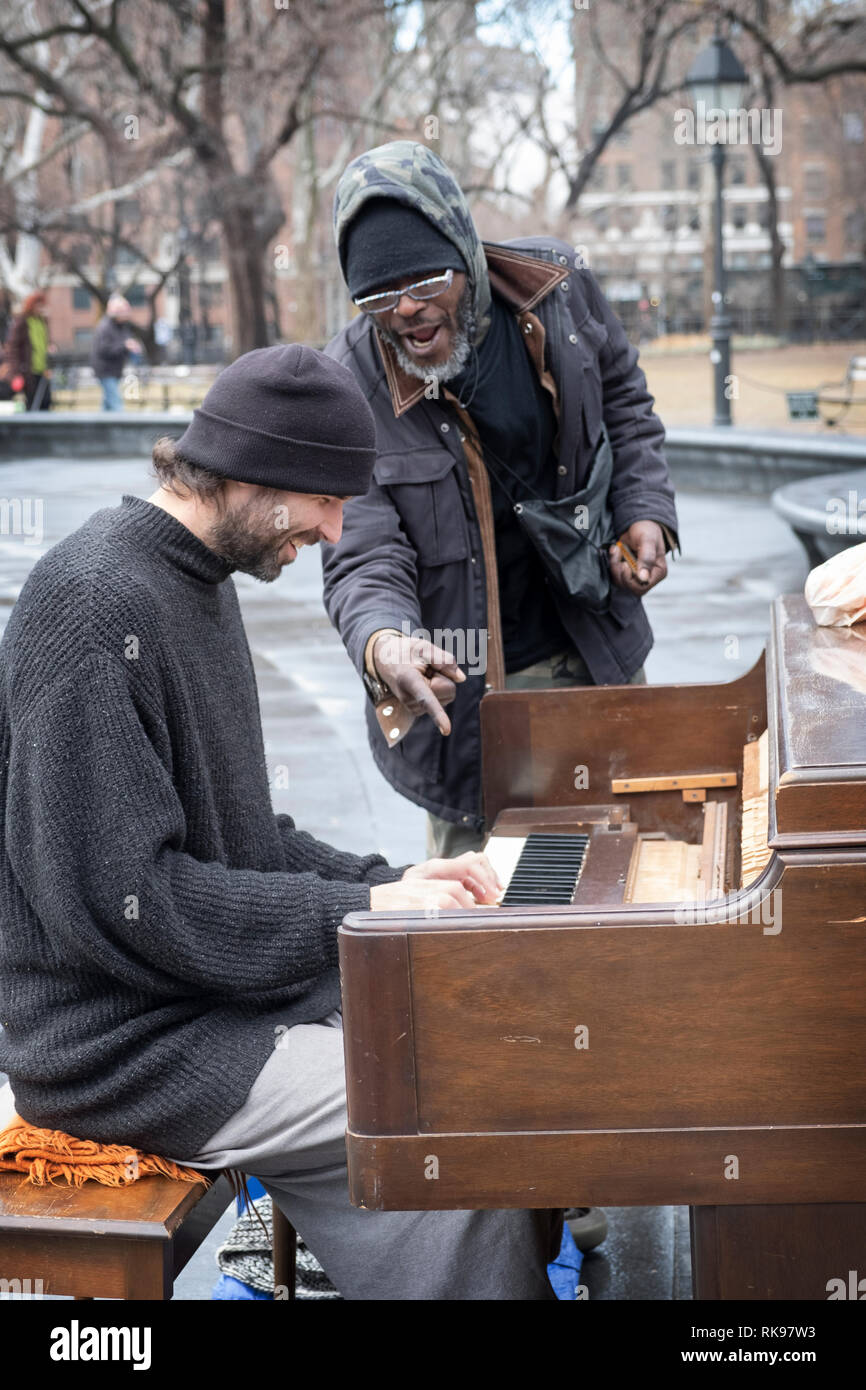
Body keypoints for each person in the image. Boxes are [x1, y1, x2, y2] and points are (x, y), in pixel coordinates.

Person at [0, 343, 561, 1300]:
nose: (338, 532)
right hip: (120, 1048)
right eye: (326, 502)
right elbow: (131, 903)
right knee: (444, 1096)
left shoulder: (193, 582)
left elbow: (249, 835)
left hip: (194, 1007)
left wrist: (390, 884)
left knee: (478, 1025)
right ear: (259, 475)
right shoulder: (96, 608)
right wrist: (361, 909)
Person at [322, 141, 680, 860]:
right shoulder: (351, 381)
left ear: (465, 249)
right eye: (379, 297)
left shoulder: (559, 285)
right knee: (483, 932)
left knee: (636, 873)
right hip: (468, 705)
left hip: (597, 647)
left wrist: (645, 512)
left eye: (427, 280)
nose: (410, 311)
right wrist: (384, 641)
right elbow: (361, 551)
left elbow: (624, 401)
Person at [2, 289, 53, 410]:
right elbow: (12, 348)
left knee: (46, 401)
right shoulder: (22, 322)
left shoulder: (42, 321)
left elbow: (44, 343)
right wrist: (16, 373)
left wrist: (50, 348)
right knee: (32, 402)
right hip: (28, 371)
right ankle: (32, 427)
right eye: (38, 305)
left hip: (42, 369)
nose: (41, 308)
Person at [90, 293, 140, 410]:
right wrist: (125, 345)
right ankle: (123, 427)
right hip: (105, 370)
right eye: (123, 311)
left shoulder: (122, 326)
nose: (126, 314)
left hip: (115, 369)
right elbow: (103, 349)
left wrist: (131, 346)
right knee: (116, 404)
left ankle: (99, 427)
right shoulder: (105, 327)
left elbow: (124, 343)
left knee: (107, 405)